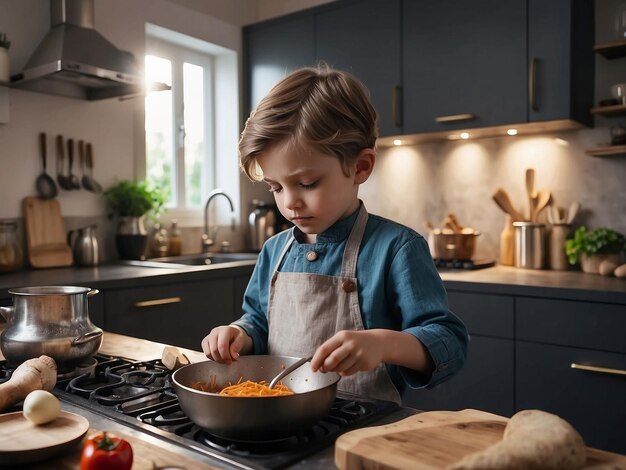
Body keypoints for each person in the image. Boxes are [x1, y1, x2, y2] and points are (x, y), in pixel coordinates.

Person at [201, 65, 468, 403]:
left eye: (307, 184)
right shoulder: (273, 250)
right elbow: (258, 320)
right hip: (281, 422)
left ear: (361, 167)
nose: (290, 202)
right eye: (276, 188)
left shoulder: (397, 248)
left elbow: (448, 340)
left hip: (366, 431)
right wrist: (238, 333)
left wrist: (384, 344)